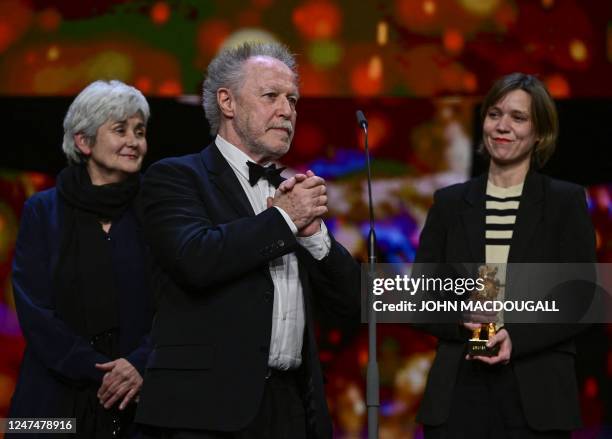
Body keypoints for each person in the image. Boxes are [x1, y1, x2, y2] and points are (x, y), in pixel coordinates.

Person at [134, 42, 360, 439]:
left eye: (293, 100)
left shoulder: (297, 194)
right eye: (271, 96)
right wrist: (284, 218)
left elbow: (353, 304)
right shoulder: (175, 177)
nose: (287, 110)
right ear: (227, 102)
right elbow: (195, 258)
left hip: (292, 409)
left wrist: (313, 236)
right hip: (204, 414)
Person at [414, 73, 596, 438]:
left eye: (518, 117)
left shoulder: (564, 201)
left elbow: (581, 297)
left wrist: (516, 337)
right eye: (495, 114)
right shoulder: (450, 203)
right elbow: (422, 297)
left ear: (539, 132)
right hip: (459, 393)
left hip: (536, 395)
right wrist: (461, 316)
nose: (502, 126)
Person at [9, 80, 155, 438]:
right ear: (83, 141)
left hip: (140, 397)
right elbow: (34, 309)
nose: (134, 141)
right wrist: (100, 370)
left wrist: (137, 364)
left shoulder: (157, 211)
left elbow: (177, 302)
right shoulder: (42, 210)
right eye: (120, 130)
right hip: (51, 401)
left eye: (139, 131)